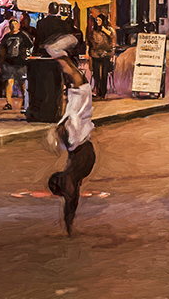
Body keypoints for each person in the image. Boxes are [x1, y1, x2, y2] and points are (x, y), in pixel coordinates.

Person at [47, 52, 96, 236]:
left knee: (80, 84)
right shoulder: (70, 178)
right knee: (81, 84)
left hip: (83, 149)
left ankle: (61, 56)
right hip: (83, 148)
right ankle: (60, 55)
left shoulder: (70, 174)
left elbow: (71, 202)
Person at [0, 18, 32, 111]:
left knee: (22, 83)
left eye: (15, 24)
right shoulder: (6, 37)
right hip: (9, 63)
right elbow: (2, 49)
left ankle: (25, 102)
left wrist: (26, 56)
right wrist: (1, 62)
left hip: (21, 63)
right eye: (12, 25)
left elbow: (30, 46)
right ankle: (8, 103)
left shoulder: (24, 36)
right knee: (9, 82)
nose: (14, 26)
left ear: (19, 25)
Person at [86, 12, 116, 100]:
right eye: (97, 20)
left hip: (106, 54)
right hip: (95, 54)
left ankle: (103, 92)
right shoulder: (94, 31)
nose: (98, 22)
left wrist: (104, 30)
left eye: (100, 20)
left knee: (104, 74)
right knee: (96, 74)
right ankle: (98, 90)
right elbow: (90, 42)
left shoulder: (109, 29)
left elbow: (112, 37)